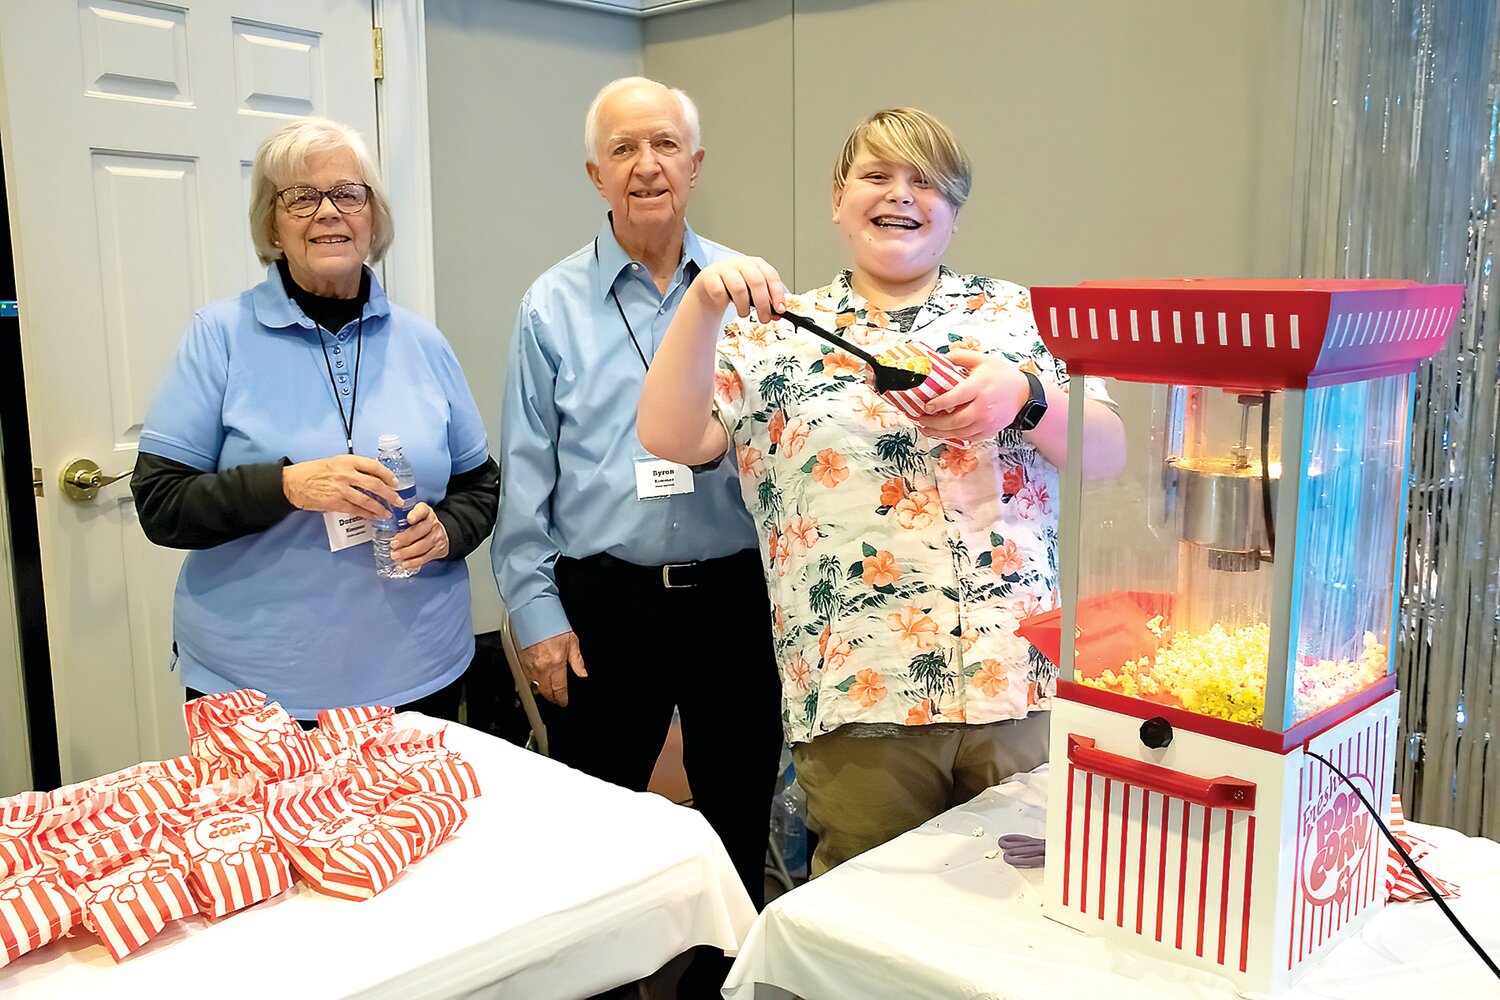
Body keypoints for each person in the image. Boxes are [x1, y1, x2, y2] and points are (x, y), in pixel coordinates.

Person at [638, 107, 1126, 875]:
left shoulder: (1018, 318)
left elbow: (1107, 453)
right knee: (872, 927)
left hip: (1016, 686)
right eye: (876, 175)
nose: (900, 194)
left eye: (926, 181)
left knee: (1024, 912)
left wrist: (1025, 398)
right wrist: (700, 309)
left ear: (955, 213)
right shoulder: (773, 331)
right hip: (859, 700)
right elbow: (670, 437)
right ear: (838, 197)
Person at [492, 77, 781, 918]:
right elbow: (526, 475)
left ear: (695, 165)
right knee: (595, 823)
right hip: (606, 602)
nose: (645, 166)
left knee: (737, 815)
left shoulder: (748, 292)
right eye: (623, 149)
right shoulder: (549, 307)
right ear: (595, 174)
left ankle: (716, 977)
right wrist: (537, 616)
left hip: (733, 595)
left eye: (663, 146)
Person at [133, 117, 498, 722]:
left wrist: (448, 533)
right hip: (256, 692)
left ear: (372, 217)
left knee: (415, 823)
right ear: (272, 224)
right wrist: (288, 486)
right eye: (300, 197)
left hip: (421, 671)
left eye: (347, 194)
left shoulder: (422, 342)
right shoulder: (218, 338)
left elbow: (480, 483)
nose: (328, 212)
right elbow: (160, 502)